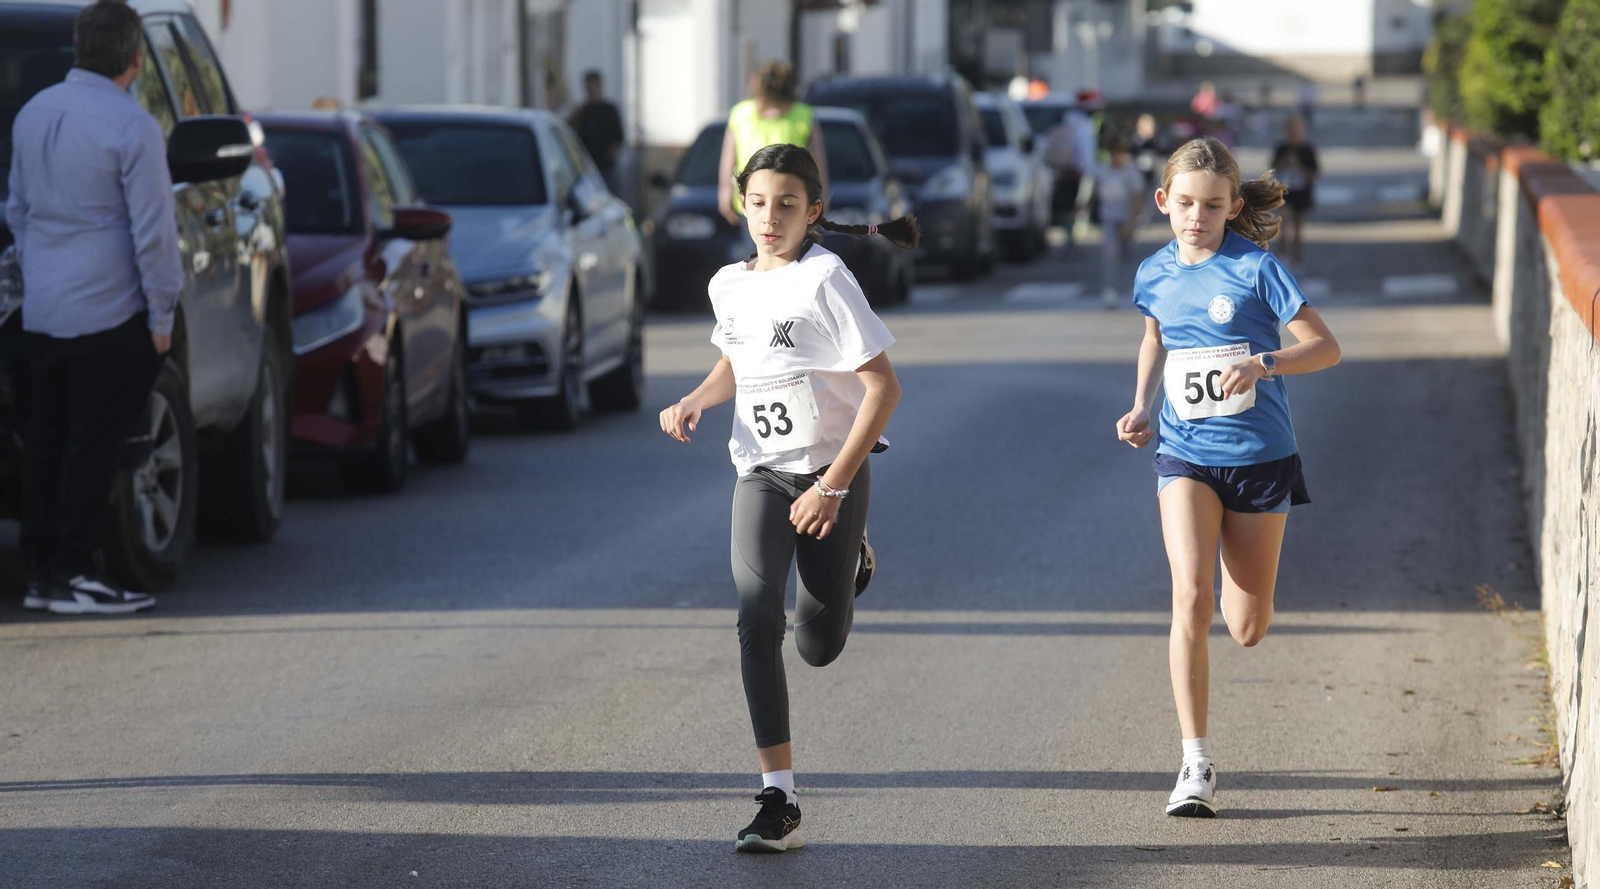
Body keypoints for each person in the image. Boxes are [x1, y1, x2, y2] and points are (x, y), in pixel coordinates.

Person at [659, 143, 915, 853]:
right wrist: (696, 399)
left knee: (818, 644)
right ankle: (780, 794)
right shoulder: (728, 284)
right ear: (741, 202)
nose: (770, 218)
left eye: (788, 205)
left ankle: (850, 557)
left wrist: (835, 487)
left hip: (832, 475)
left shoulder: (826, 278)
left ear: (815, 211)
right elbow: (738, 361)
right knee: (754, 613)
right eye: (759, 202)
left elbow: (883, 388)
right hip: (762, 474)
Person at [1114, 136, 1341, 818]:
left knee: (1245, 625)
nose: (1196, 216)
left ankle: (1250, 606)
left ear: (1233, 207)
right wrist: (1141, 405)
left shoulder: (1257, 268)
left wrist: (1265, 364)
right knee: (1190, 595)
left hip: (1261, 456)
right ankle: (1195, 762)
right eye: (1184, 203)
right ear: (1163, 203)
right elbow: (1156, 335)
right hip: (1185, 453)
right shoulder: (1153, 271)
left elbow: (1326, 347)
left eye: (1212, 206)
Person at [6, 0, 180, 615]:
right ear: (135, 59)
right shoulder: (132, 127)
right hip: (109, 314)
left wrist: (43, 271)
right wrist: (162, 317)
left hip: (44, 312)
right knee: (93, 447)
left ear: (79, 48)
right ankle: (79, 572)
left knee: (47, 443)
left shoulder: (33, 113)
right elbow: (154, 234)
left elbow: (18, 212)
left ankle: (44, 574)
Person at [716, 61, 827, 226]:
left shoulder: (740, 114)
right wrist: (821, 197)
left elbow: (728, 159)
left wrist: (725, 193)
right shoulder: (803, 115)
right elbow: (818, 164)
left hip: (754, 202)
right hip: (790, 202)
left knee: (759, 248)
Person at [1094, 138, 1146, 305]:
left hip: (1126, 217)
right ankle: (1110, 289)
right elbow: (1095, 190)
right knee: (1110, 253)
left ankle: (1135, 289)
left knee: (1129, 254)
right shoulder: (1103, 170)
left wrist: (1130, 222)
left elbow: (1136, 198)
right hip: (1109, 217)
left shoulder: (1131, 172)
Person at [1271, 116, 1319, 273]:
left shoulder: (1307, 150)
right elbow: (1273, 169)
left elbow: (1314, 174)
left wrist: (1298, 165)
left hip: (1301, 193)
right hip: (1285, 192)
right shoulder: (1281, 149)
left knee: (1298, 228)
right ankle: (1282, 258)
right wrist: (1285, 162)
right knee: (1283, 225)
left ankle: (1298, 260)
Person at [568, 70, 625, 182]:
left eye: (593, 86)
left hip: (607, 168)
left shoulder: (610, 110)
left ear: (599, 86)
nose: (591, 90)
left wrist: (610, 155)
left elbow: (619, 137)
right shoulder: (581, 112)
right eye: (588, 87)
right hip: (587, 168)